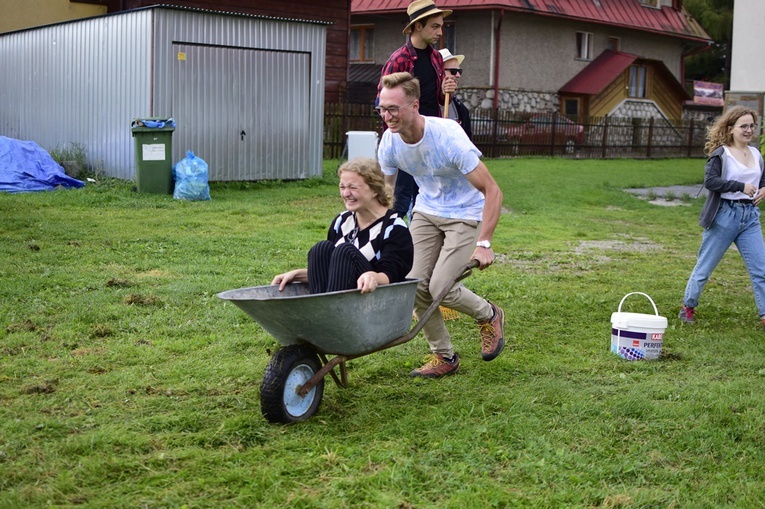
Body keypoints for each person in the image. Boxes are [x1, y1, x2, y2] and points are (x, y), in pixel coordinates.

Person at [376, 72, 505, 378]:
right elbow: (385, 194)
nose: (387, 116)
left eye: (393, 108)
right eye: (382, 108)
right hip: (427, 211)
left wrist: (484, 243)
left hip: (465, 212)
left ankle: (489, 314)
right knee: (414, 285)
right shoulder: (390, 143)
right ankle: (443, 355)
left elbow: (493, 191)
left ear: (415, 105)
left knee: (441, 288)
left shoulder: (447, 138)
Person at [272, 158, 413, 295]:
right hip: (341, 292)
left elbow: (393, 274)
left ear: (375, 190)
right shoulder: (342, 220)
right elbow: (334, 271)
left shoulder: (393, 226)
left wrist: (373, 276)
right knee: (321, 248)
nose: (346, 194)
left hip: (373, 298)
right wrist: (297, 274)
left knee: (345, 251)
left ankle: (329, 313)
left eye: (353, 187)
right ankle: (324, 310)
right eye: (342, 187)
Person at [679, 106, 765, 328]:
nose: (748, 130)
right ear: (731, 128)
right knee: (705, 266)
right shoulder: (721, 153)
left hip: (750, 217)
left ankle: (764, 314)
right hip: (725, 215)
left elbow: (761, 179)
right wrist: (740, 186)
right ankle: (688, 306)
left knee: (761, 269)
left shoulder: (756, 154)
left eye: (751, 126)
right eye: (743, 126)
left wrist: (764, 188)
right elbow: (711, 182)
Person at [377, 0, 458, 220]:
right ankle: (387, 243)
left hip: (431, 136)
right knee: (399, 199)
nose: (440, 32)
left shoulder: (436, 58)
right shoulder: (399, 60)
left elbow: (438, 100)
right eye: (435, 26)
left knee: (428, 197)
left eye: (441, 26)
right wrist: (397, 136)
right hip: (407, 138)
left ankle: (420, 248)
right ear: (418, 26)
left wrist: (446, 89)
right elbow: (383, 101)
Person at [438, 48, 472, 139]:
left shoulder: (461, 109)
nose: (458, 75)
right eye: (453, 71)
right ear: (439, 72)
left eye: (459, 71)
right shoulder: (423, 102)